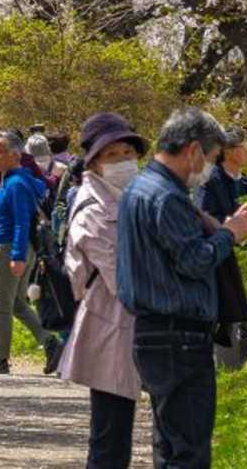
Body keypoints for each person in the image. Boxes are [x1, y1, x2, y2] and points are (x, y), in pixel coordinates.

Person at [118, 108, 247, 468]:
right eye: (212, 157)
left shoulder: (139, 188)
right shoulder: (167, 197)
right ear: (192, 150)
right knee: (189, 449)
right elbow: (194, 260)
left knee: (169, 445)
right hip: (179, 335)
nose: (210, 168)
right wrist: (230, 235)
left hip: (153, 332)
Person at [58, 113, 148, 469]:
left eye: (129, 152)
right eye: (113, 155)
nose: (124, 161)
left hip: (138, 328)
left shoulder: (133, 199)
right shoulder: (91, 211)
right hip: (108, 328)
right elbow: (123, 279)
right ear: (93, 162)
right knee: (110, 441)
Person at [0, 129, 63, 376]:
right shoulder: (11, 178)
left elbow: (22, 222)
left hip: (11, 247)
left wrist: (17, 257)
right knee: (18, 304)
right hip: (11, 247)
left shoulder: (17, 183)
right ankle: (51, 343)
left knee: (1, 305)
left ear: (15, 155)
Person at [195, 128, 247, 223]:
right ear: (228, 151)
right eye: (243, 146)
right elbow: (202, 216)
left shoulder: (246, 182)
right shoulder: (209, 179)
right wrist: (232, 222)